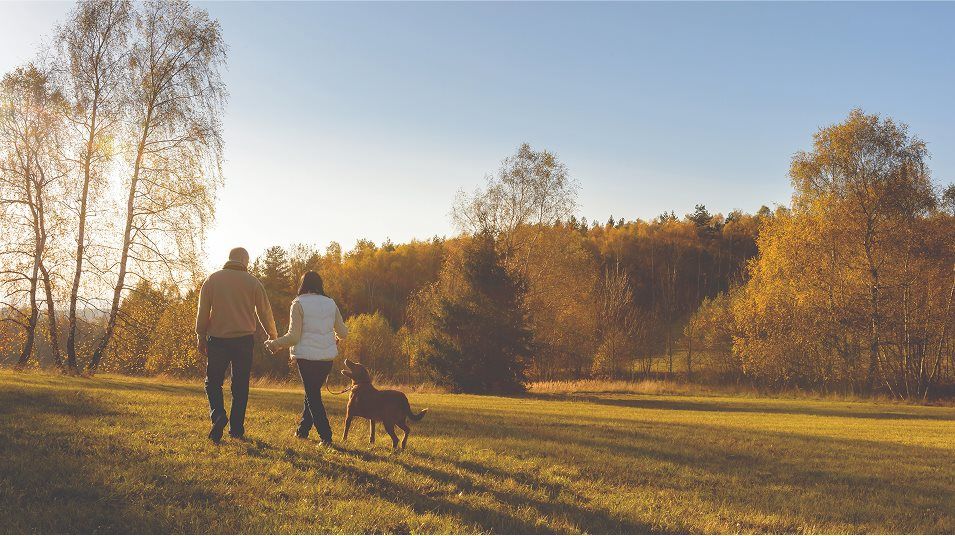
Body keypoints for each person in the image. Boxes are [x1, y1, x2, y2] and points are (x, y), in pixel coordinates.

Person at [195, 247, 277, 443]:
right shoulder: (253, 282)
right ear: (245, 260)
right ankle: (236, 429)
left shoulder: (213, 279)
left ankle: (218, 415)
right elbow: (264, 311)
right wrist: (272, 334)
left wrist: (200, 335)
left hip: (217, 339)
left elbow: (203, 309)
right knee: (240, 386)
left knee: (212, 382)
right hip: (243, 340)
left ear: (229, 258)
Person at [265, 271, 348, 446]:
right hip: (326, 359)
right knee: (312, 394)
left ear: (303, 284)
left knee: (312, 396)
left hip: (306, 358)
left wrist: (275, 344)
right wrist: (333, 337)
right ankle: (302, 430)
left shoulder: (298, 303)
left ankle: (326, 437)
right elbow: (343, 333)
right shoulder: (331, 303)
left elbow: (294, 337)